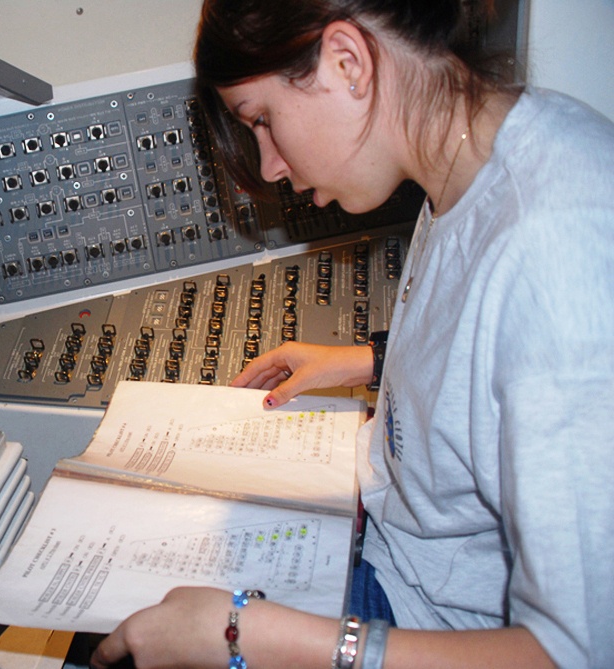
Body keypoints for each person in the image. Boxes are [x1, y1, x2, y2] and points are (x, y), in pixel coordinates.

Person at [90, 0, 614, 667]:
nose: (271, 164)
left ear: (347, 62)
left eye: (263, 120)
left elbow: (577, 653)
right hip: (386, 537)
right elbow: (498, 350)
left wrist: (242, 634)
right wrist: (370, 359)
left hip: (423, 618)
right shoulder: (481, 154)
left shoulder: (560, 248)